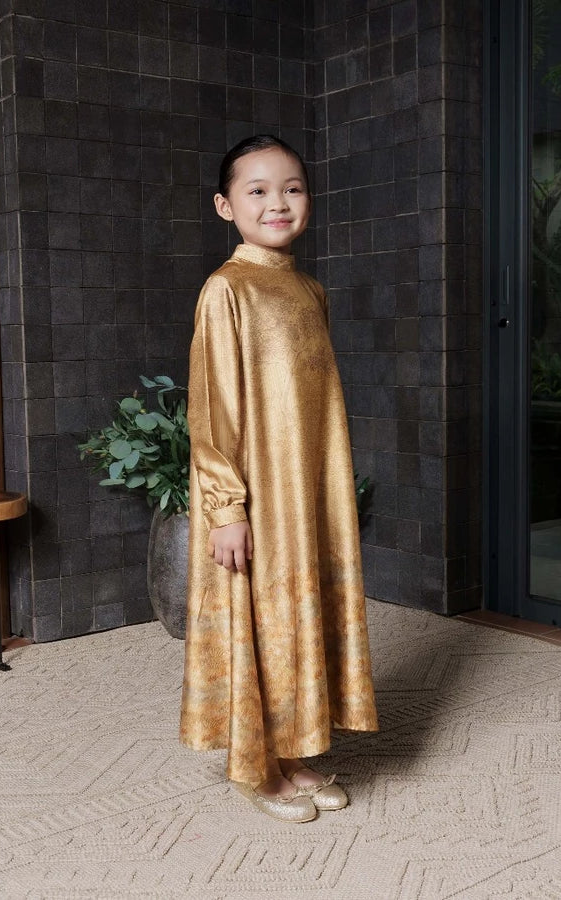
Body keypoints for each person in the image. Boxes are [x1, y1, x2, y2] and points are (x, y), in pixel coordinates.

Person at [179, 134, 378, 823]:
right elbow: (211, 409)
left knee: (298, 615)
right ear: (223, 205)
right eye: (256, 190)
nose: (276, 202)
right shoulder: (226, 290)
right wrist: (224, 506)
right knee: (257, 618)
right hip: (254, 492)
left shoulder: (307, 289)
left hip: (306, 491)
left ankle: (291, 751)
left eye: (291, 187)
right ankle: (255, 767)